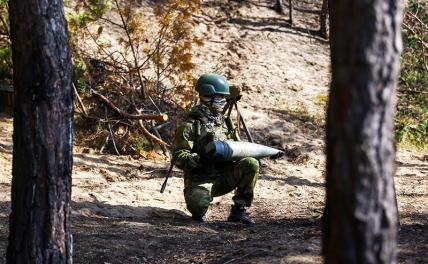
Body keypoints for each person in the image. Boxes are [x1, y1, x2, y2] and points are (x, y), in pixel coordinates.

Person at [172, 73, 259, 224]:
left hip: (225, 176)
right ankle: (200, 202)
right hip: (200, 179)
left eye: (223, 97)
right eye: (219, 97)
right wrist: (199, 159)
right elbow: (178, 157)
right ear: (206, 96)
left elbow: (237, 147)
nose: (222, 101)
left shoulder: (225, 122)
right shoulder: (190, 126)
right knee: (198, 208)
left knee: (251, 163)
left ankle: (239, 210)